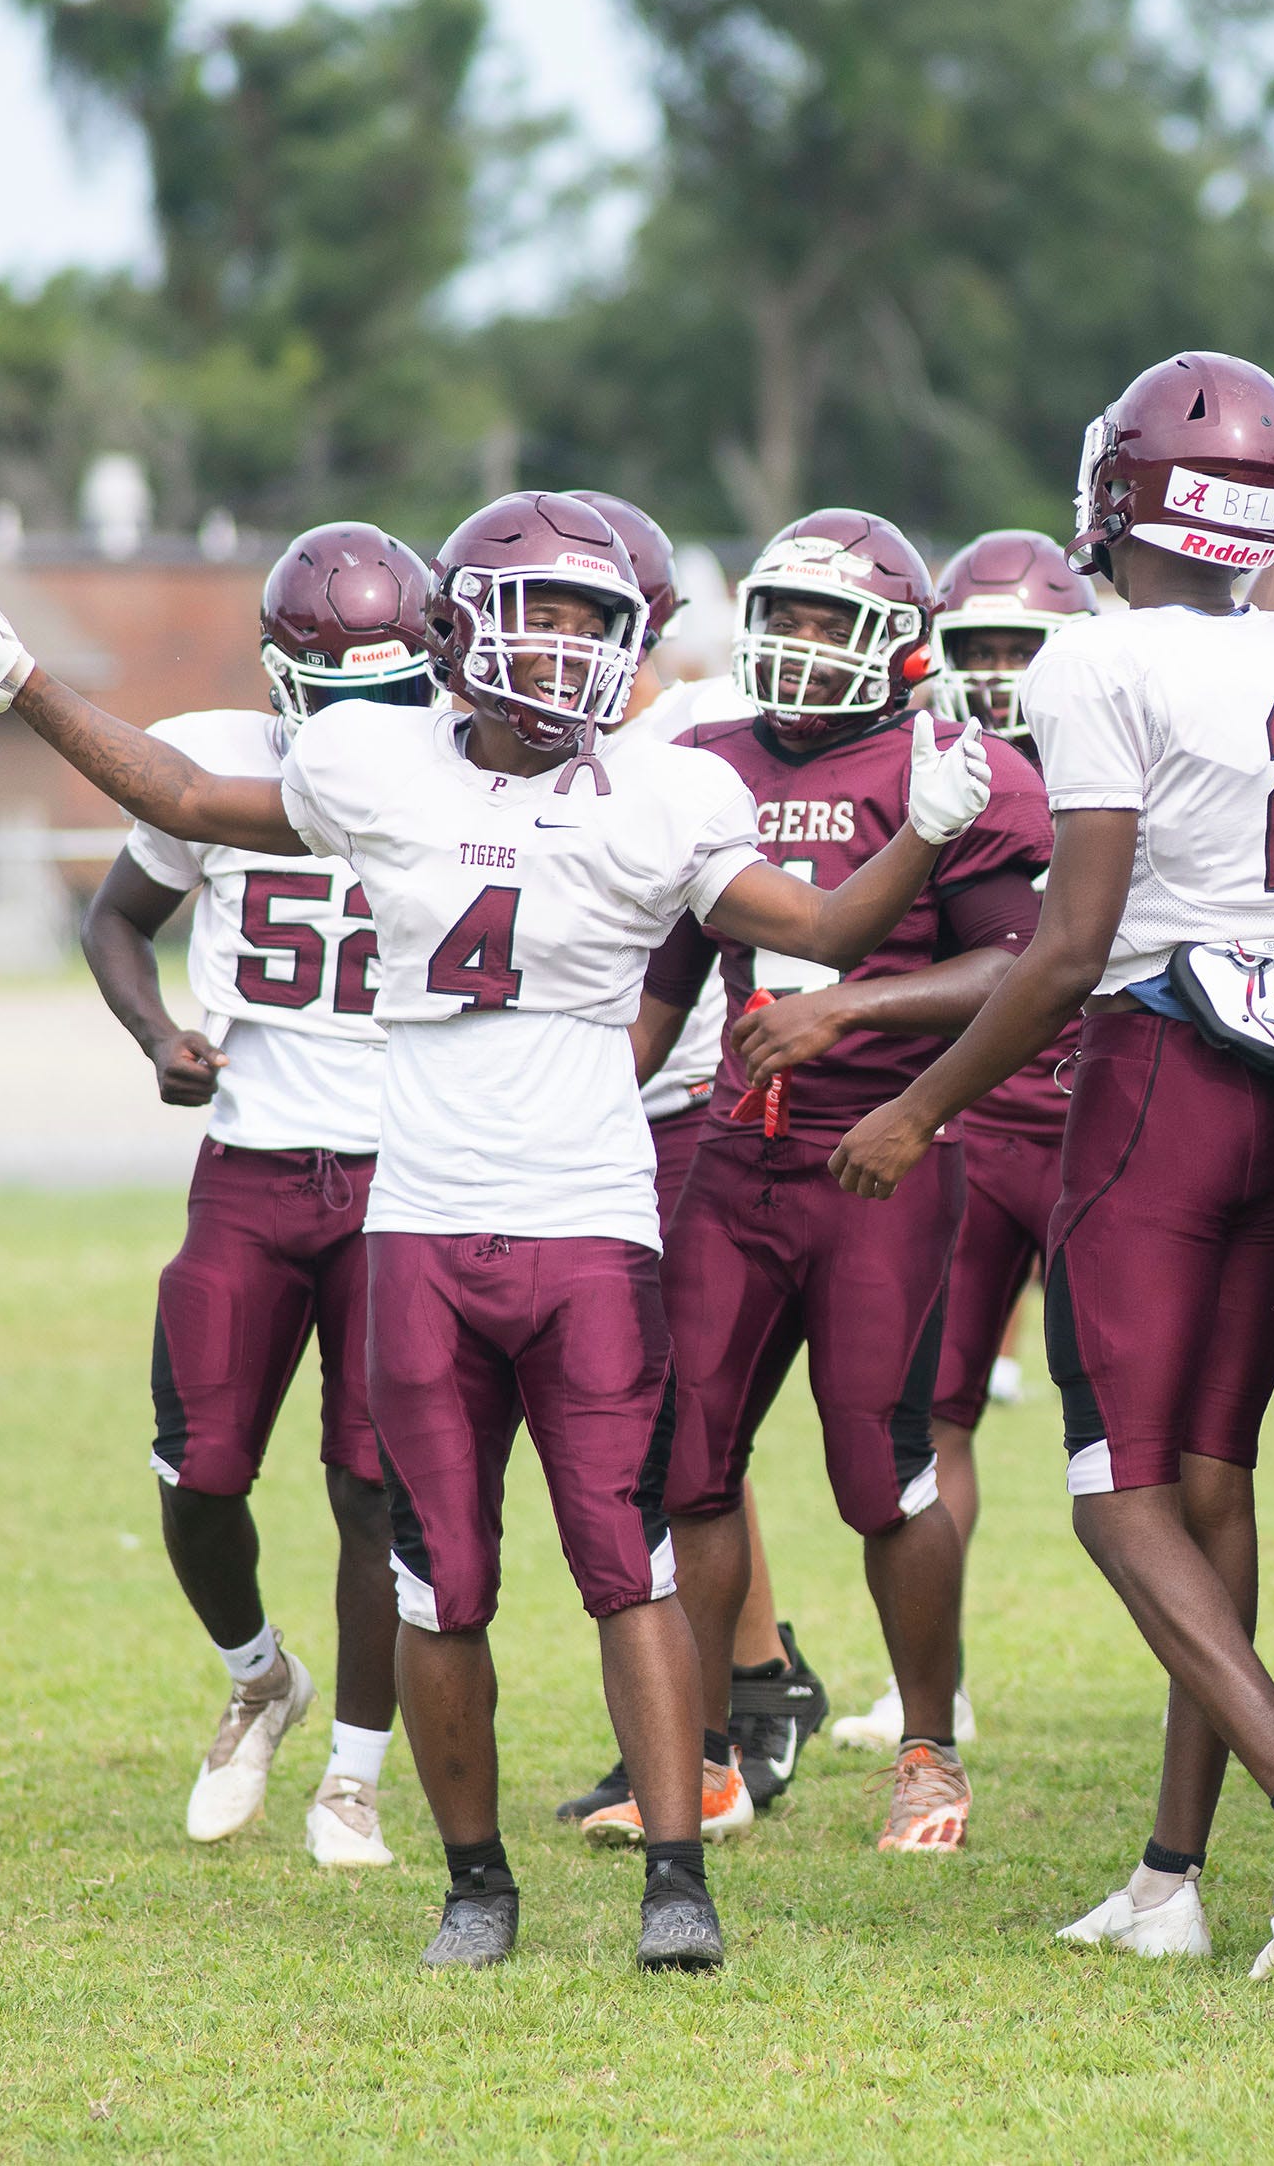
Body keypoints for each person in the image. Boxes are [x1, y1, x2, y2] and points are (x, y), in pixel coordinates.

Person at [0, 488, 994, 1974]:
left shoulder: (664, 787)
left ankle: (679, 1875)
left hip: (593, 1227)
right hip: (422, 1226)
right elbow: (177, 795)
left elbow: (819, 931)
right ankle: (475, 1880)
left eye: (595, 622)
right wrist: (21, 683)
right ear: (462, 626)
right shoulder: (375, 757)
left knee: (635, 1568)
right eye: (540, 614)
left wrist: (926, 834)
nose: (566, 650)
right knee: (442, 1581)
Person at [825, 351, 1274, 1977]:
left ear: (1123, 490)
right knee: (1210, 1476)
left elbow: (1070, 941)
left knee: (1116, 1489)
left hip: (1157, 1074)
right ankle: (1169, 1871)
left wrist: (921, 1103)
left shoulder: (1095, 658)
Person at [596, 509, 1052, 1860]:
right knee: (689, 1463)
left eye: (827, 619)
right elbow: (671, 976)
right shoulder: (701, 756)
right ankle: (717, 1748)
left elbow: (1019, 967)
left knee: (882, 1466)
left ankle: (927, 1744)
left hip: (881, 1152)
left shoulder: (953, 769)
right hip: (739, 1147)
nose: (797, 644)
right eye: (781, 616)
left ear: (898, 646)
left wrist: (875, 1053)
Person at [76, 521, 439, 1868]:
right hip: (252, 1164)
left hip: (408, 1177)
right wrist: (159, 1035)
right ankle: (256, 1673)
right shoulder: (221, 759)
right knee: (197, 1471)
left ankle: (353, 1771)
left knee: (372, 1488)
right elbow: (115, 916)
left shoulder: (464, 769)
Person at [559, 490, 833, 1825]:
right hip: (595, 1109)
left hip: (683, 1114)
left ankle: (749, 1683)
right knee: (670, 1430)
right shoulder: (513, 737)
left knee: (676, 1428)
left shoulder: (693, 738)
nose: (552, 640)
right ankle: (736, 1685)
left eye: (578, 613)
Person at [818, 527, 1098, 1758]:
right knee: (933, 1420)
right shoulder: (928, 767)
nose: (994, 673)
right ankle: (934, 1689)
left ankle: (1202, 1692)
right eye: (974, 646)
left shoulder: (1118, 741)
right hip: (972, 1120)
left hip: (1106, 1125)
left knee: (1144, 1440)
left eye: (1017, 647)